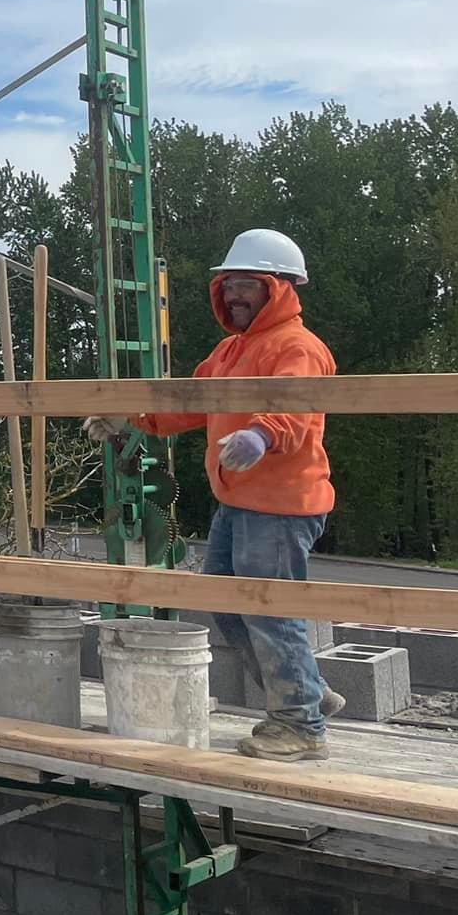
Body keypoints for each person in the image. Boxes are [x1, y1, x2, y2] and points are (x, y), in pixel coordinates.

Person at [83, 228, 338, 762]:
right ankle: (303, 689)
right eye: (229, 286)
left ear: (281, 288)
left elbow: (297, 408)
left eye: (248, 285)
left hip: (282, 506)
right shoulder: (231, 350)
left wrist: (262, 434)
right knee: (227, 604)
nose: (235, 296)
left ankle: (300, 723)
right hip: (242, 500)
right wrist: (128, 418)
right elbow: (188, 402)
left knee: (268, 612)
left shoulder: (298, 348)